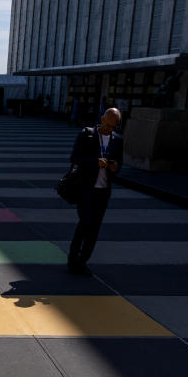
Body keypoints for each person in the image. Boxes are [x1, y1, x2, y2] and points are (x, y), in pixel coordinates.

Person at [67, 107, 123, 275]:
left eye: (113, 127)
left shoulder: (117, 140)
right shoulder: (87, 134)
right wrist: (94, 162)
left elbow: (119, 164)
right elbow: (74, 157)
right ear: (102, 119)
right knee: (85, 223)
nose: (109, 129)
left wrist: (114, 167)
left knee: (94, 228)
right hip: (85, 188)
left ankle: (82, 261)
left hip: (103, 191)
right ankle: (72, 259)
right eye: (107, 125)